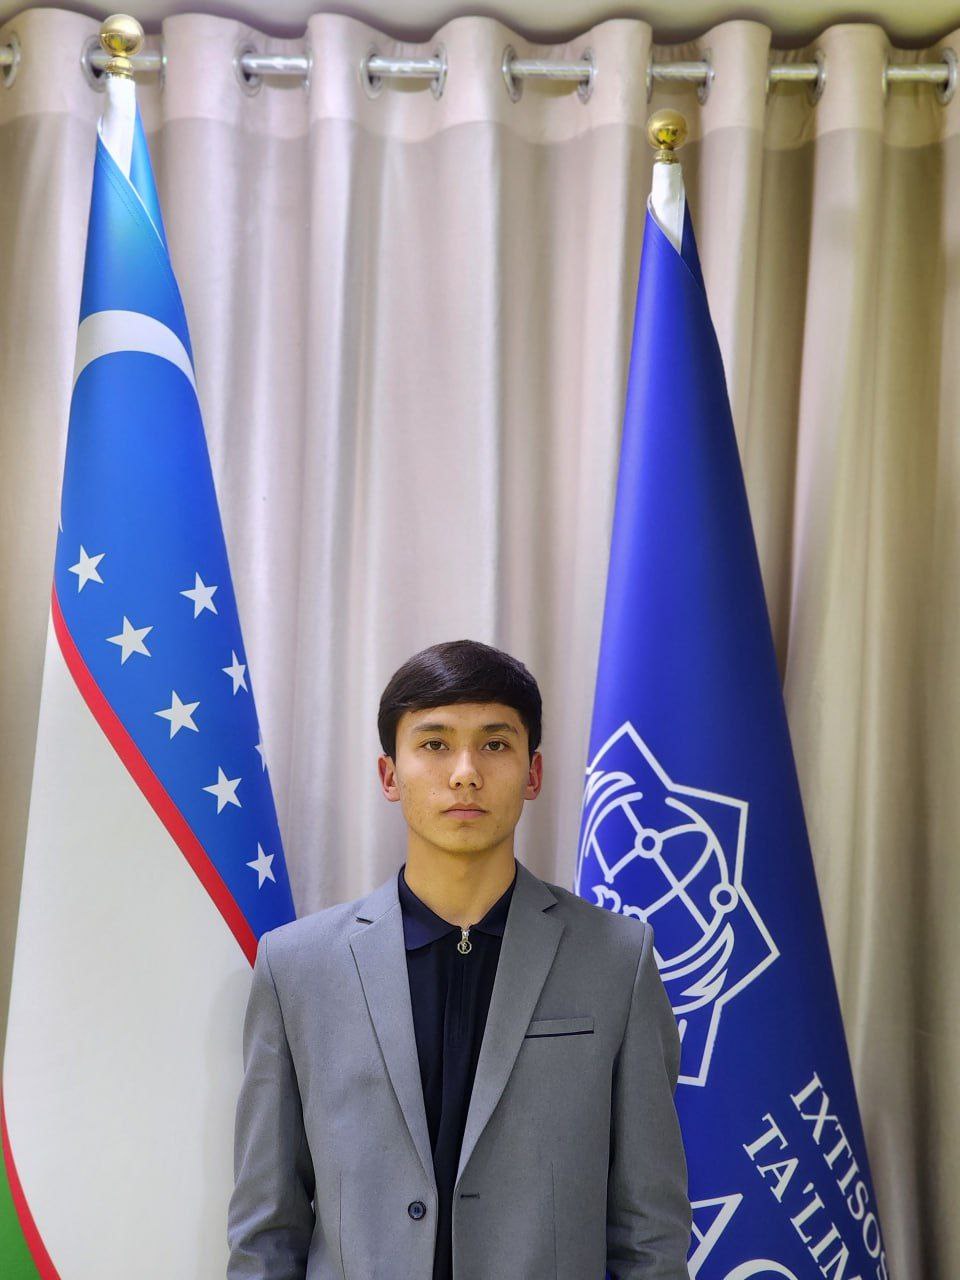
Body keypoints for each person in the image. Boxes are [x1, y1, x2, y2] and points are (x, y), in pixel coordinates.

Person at [227, 638, 692, 1279]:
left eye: (495, 744)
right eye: (435, 744)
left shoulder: (617, 960)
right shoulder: (296, 969)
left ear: (533, 773)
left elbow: (650, 1236)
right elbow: (266, 1231)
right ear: (390, 775)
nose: (466, 772)